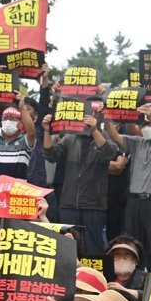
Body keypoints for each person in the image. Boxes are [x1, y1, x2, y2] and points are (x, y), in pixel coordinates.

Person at [106, 104, 151, 274]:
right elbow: (114, 135)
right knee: (133, 245)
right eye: (144, 124)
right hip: (135, 201)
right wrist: (105, 115)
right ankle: (134, 282)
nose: (147, 127)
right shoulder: (136, 142)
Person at [41, 103, 117, 254]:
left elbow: (108, 153)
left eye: (95, 114)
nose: (90, 117)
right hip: (69, 204)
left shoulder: (106, 137)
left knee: (94, 248)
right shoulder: (70, 138)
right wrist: (47, 132)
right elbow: (51, 155)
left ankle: (93, 276)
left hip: (94, 205)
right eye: (88, 113)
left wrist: (94, 130)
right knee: (69, 246)